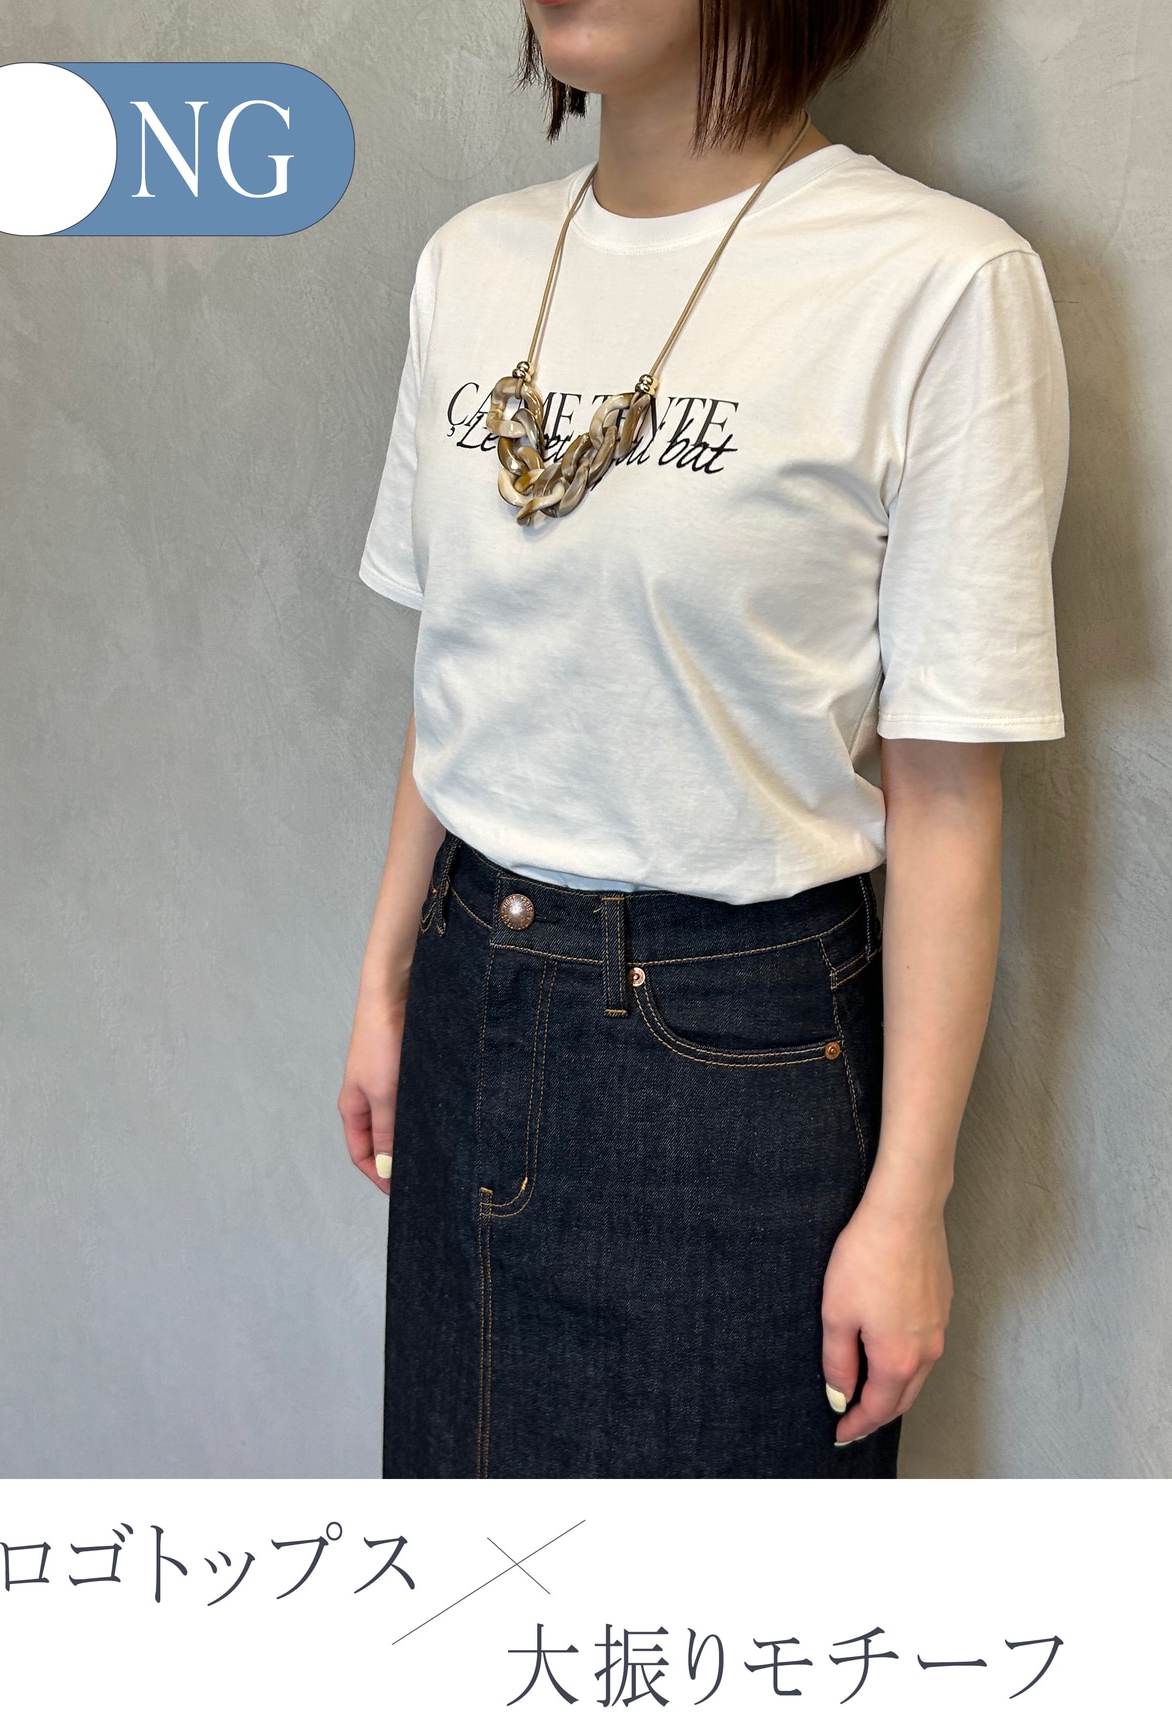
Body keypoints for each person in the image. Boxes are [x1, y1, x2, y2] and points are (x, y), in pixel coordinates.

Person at [338, 0, 1069, 1478]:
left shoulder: (936, 283)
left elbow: (945, 790)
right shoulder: (472, 265)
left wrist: (910, 1197)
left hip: (733, 1049)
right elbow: (462, 671)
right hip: (474, 979)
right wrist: (386, 981)